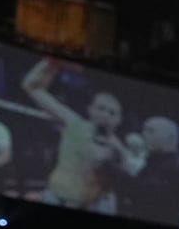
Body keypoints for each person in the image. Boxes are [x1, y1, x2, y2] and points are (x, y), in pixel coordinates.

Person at [17, 58, 138, 211]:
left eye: (112, 112)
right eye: (101, 108)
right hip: (55, 197)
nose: (105, 115)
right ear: (90, 109)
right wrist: (53, 62)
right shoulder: (74, 123)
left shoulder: (119, 150)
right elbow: (32, 87)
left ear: (118, 120)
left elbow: (134, 173)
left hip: (92, 207)